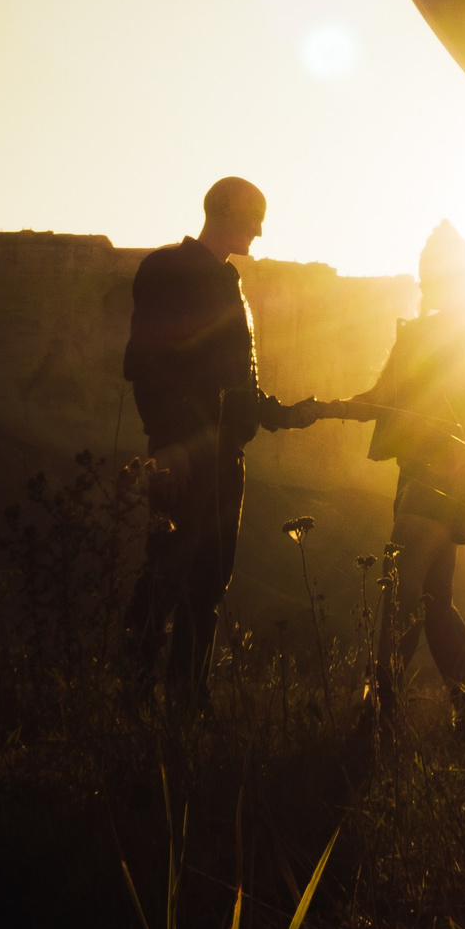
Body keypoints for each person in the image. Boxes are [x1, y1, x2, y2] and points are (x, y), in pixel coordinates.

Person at [312, 221, 465, 733]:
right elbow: (381, 396)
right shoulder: (417, 334)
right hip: (415, 472)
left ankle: (380, 706)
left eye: (437, 273)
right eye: (425, 274)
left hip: (456, 475)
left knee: (402, 582)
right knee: (435, 600)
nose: (429, 283)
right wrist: (323, 408)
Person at [119, 176, 314, 702]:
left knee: (206, 587)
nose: (259, 232)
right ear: (226, 212)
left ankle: (188, 704)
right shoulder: (168, 271)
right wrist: (168, 444)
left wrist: (281, 414)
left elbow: (230, 384)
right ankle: (129, 699)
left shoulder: (229, 283)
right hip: (184, 455)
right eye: (254, 219)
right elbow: (147, 363)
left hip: (227, 457)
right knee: (164, 575)